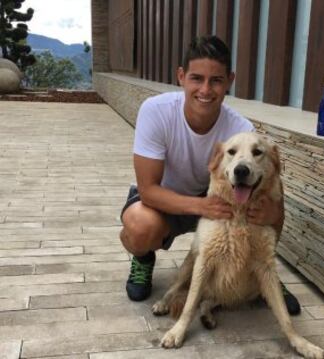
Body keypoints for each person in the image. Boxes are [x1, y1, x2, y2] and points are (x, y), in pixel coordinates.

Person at [120, 35, 300, 315]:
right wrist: (200, 206)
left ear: (229, 80)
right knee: (139, 227)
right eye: (196, 78)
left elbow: (273, 186)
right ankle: (142, 260)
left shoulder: (240, 128)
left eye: (216, 80)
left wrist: (272, 215)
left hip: (219, 199)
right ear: (181, 77)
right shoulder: (155, 112)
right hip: (165, 199)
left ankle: (265, 273)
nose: (205, 89)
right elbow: (148, 189)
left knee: (269, 206)